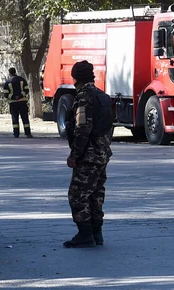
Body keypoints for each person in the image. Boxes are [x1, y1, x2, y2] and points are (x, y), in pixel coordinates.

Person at [64, 60, 113, 248]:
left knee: (77, 194)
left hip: (88, 156)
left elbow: (82, 128)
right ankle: (96, 233)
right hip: (102, 154)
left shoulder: (84, 97)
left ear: (75, 77)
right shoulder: (103, 96)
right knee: (96, 194)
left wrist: (74, 155)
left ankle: (85, 234)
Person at [3, 67, 33, 138]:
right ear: (15, 72)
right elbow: (26, 90)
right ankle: (27, 133)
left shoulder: (8, 82)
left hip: (13, 103)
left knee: (14, 118)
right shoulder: (22, 80)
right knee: (25, 118)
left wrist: (13, 97)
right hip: (22, 102)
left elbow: (5, 94)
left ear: (9, 73)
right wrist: (20, 96)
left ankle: (16, 134)